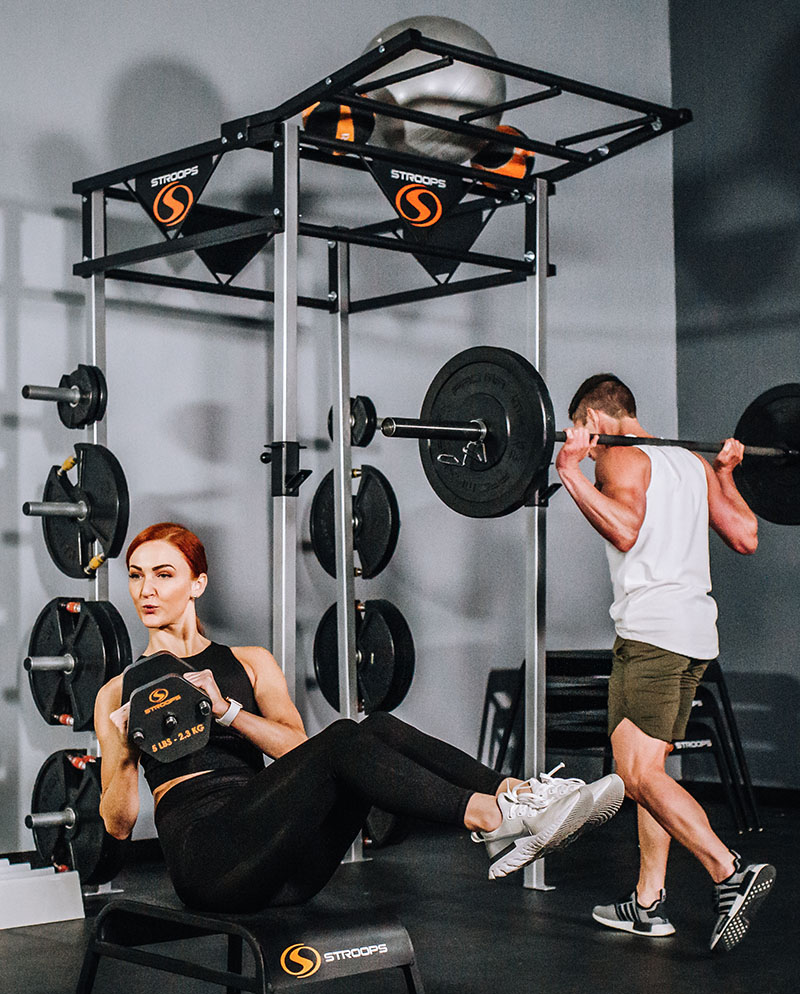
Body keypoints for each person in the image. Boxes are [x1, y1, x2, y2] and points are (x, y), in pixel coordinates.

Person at [96, 522, 624, 913]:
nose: (146, 590)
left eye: (164, 575)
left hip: (287, 857)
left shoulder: (250, 663)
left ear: (197, 584)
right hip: (212, 862)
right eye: (137, 576)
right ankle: (493, 820)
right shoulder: (118, 692)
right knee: (347, 735)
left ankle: (514, 794)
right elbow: (118, 827)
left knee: (373, 729)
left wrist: (229, 713)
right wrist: (123, 754)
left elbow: (297, 754)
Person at [555, 374, 775, 953]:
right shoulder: (690, 464)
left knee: (635, 774)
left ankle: (728, 871)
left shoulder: (618, 459)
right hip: (696, 636)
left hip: (651, 636)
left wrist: (569, 473)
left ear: (595, 420)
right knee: (650, 770)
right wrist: (726, 475)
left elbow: (626, 531)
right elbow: (747, 535)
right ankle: (647, 904)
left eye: (583, 429)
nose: (583, 440)